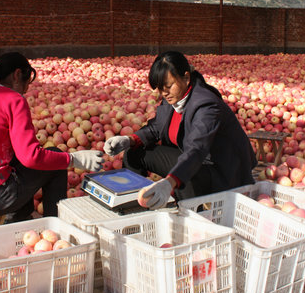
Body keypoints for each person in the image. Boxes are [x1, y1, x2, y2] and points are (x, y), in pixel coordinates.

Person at [0, 52, 103, 222]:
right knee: (55, 162)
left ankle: (19, 220)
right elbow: (31, 157)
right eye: (27, 83)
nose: (26, 90)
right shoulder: (13, 99)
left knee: (20, 164)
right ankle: (54, 227)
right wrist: (72, 159)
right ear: (17, 75)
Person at [104, 51, 256, 209]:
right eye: (160, 88)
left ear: (186, 77)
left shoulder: (206, 105)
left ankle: (191, 215)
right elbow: (158, 126)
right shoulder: (174, 99)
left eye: (169, 86)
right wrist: (130, 139)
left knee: (185, 175)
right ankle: (132, 205)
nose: (164, 93)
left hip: (220, 172)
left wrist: (169, 182)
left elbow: (197, 150)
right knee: (134, 152)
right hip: (194, 160)